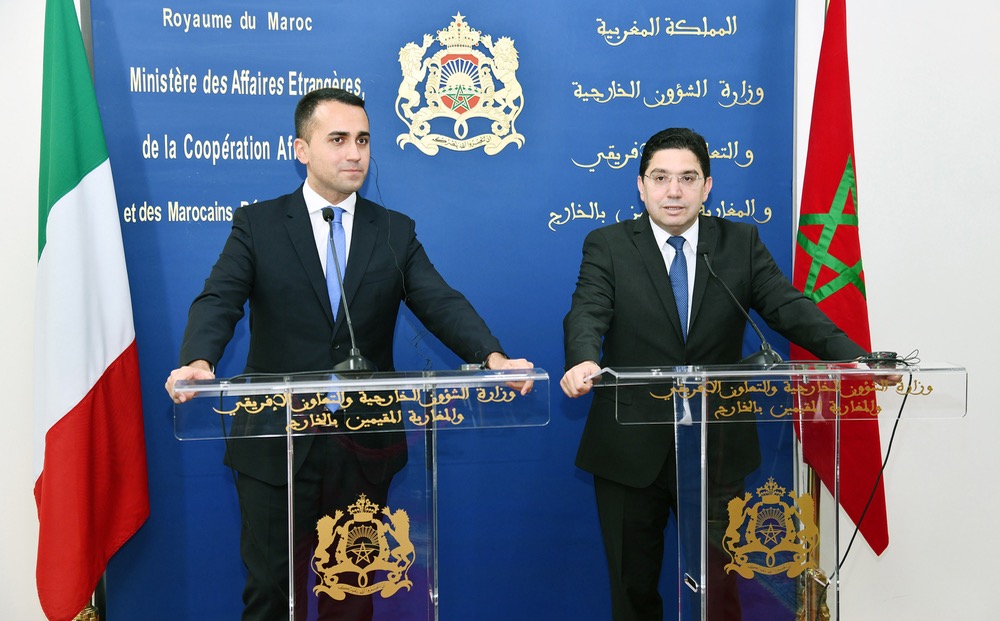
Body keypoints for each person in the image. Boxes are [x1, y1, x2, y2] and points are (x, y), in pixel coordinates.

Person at [165, 87, 532, 620]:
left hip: (362, 446)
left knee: (351, 598)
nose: (355, 153)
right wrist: (200, 360)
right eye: (338, 139)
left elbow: (439, 301)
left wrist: (492, 357)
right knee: (271, 596)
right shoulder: (258, 225)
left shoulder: (394, 231)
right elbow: (220, 298)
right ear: (301, 149)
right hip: (276, 443)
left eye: (362, 140)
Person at [560, 127, 868, 621]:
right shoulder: (608, 245)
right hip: (628, 449)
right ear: (641, 186)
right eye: (660, 178)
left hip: (716, 447)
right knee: (632, 591)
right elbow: (587, 310)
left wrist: (854, 358)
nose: (673, 191)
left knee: (720, 591)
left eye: (687, 178)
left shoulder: (739, 243)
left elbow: (787, 308)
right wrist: (582, 358)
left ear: (707, 186)